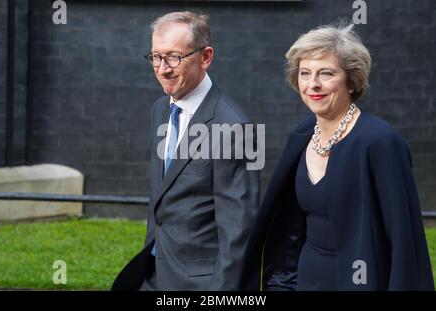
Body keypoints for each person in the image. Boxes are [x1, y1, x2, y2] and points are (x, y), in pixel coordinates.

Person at [240, 23, 434, 291]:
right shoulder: (303, 134)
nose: (313, 84)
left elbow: (405, 241)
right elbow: (289, 229)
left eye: (326, 73)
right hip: (305, 280)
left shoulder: (379, 142)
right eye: (305, 73)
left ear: (352, 81)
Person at [112, 11, 260, 291]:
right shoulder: (161, 109)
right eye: (156, 57)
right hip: (154, 273)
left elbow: (240, 229)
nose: (162, 68)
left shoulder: (236, 126)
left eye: (174, 57)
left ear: (206, 57)